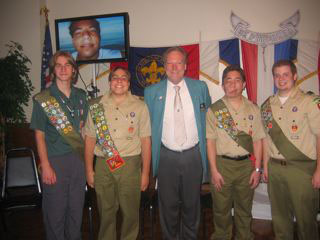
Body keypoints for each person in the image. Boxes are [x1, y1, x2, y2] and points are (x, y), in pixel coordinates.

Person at [144, 46, 211, 239]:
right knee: (168, 206)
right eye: (170, 63)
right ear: (164, 66)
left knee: (192, 205)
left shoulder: (200, 88)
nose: (174, 67)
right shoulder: (151, 92)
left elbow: (208, 120)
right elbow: (147, 129)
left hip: (193, 155)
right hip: (166, 156)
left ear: (185, 66)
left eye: (178, 62)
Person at [84, 66, 151, 240]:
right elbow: (90, 139)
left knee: (130, 212)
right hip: (103, 164)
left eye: (123, 78)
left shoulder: (140, 106)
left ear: (128, 84)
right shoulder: (96, 106)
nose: (119, 81)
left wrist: (145, 174)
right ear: (109, 82)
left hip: (130, 165)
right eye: (115, 77)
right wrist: (89, 171)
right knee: (106, 212)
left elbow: (146, 141)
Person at [30, 51, 88, 240]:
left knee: (75, 211)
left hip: (78, 161)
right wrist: (45, 165)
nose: (63, 69)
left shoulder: (81, 96)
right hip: (55, 160)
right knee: (55, 213)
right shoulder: (44, 98)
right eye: (59, 65)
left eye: (67, 65)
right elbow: (39, 135)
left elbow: (85, 130)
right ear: (54, 70)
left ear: (73, 70)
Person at [261, 59, 320, 240]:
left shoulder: (309, 101)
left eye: (285, 74)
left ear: (295, 76)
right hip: (276, 168)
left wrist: (319, 170)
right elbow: (265, 139)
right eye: (277, 75)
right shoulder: (266, 106)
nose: (281, 79)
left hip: (301, 170)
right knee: (280, 220)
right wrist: (265, 166)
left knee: (306, 222)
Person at [206, 65, 265, 239]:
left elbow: (258, 141)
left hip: (247, 166)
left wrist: (257, 169)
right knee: (221, 210)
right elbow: (210, 142)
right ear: (223, 85)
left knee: (244, 210)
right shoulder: (214, 110)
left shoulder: (254, 109)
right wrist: (214, 170)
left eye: (237, 80)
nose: (232, 85)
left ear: (244, 84)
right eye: (228, 81)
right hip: (222, 165)